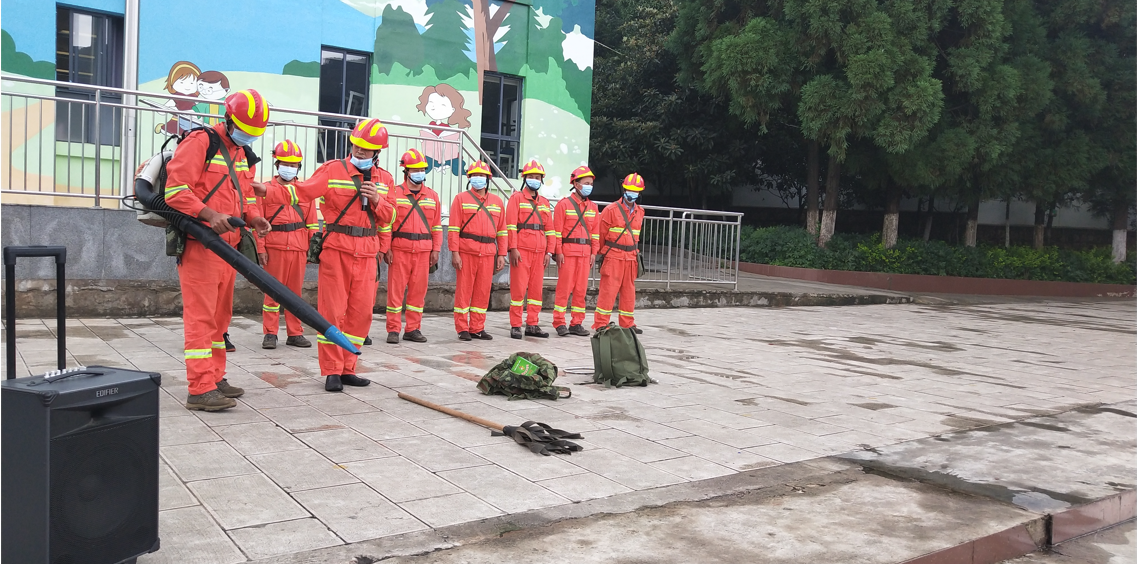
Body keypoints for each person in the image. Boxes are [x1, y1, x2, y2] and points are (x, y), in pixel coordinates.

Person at [254, 118, 395, 392]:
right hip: (337, 249)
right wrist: (268, 190)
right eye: (356, 145)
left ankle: (348, 368)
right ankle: (331, 370)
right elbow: (302, 191)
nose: (360, 150)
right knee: (332, 312)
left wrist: (377, 200)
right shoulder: (332, 169)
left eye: (366, 148)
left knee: (361, 314)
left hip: (367, 252)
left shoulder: (385, 179)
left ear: (377, 152)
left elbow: (390, 217)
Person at [164, 89, 273, 411]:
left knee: (220, 319)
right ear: (228, 119)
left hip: (230, 248)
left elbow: (245, 195)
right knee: (201, 318)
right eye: (244, 130)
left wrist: (254, 218)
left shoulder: (242, 153)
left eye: (254, 133)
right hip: (202, 244)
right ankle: (199, 388)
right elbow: (175, 191)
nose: (248, 137)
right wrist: (210, 215)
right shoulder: (201, 142)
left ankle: (215, 377)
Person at [258, 140, 318, 350]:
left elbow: (312, 224)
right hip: (274, 248)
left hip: (299, 249)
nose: (289, 168)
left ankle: (295, 333)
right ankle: (270, 334)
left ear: (298, 167)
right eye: (285, 164)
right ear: (277, 165)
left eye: (293, 165)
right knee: (272, 293)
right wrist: (260, 248)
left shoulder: (305, 191)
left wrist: (312, 250)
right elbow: (258, 223)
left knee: (295, 294)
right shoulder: (265, 190)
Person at [383, 148, 442, 344]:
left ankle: (413, 329)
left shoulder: (432, 196)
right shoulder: (394, 193)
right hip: (400, 250)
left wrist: (436, 249)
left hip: (424, 252)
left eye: (422, 169)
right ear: (406, 171)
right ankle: (393, 329)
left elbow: (436, 226)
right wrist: (387, 248)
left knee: (418, 293)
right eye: (415, 170)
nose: (419, 173)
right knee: (395, 292)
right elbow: (387, 223)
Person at [448, 161, 507, 341]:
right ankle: (462, 328)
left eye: (481, 176)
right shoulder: (460, 199)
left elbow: (502, 230)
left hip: (488, 253)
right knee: (464, 291)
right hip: (467, 251)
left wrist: (502, 254)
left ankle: (477, 327)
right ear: (469, 178)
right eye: (474, 175)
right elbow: (453, 229)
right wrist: (455, 253)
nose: (478, 178)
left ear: (488, 179)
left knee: (482, 291)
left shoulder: (497, 202)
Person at [505, 160, 556, 339]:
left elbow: (550, 230)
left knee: (536, 291)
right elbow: (510, 226)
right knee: (518, 290)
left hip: (539, 253)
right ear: (525, 178)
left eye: (537, 177)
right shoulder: (516, 198)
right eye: (531, 176)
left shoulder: (544, 202)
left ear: (541, 180)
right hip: (522, 251)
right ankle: (516, 325)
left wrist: (549, 252)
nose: (535, 180)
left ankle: (532, 324)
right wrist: (512, 248)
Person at [592, 172, 646, 334]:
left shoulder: (640, 211)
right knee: (608, 291)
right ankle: (601, 324)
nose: (632, 193)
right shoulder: (610, 210)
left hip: (631, 257)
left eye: (635, 191)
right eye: (630, 190)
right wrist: (602, 253)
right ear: (624, 189)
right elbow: (601, 234)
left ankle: (628, 324)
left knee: (629, 292)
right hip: (613, 256)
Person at [552, 165, 600, 337]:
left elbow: (595, 233)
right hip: (568, 252)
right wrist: (558, 251)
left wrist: (594, 252)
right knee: (564, 289)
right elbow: (557, 232)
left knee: (581, 290)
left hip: (585, 253)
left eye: (591, 184)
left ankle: (576, 323)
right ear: (576, 184)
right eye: (586, 183)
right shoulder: (563, 205)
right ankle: (559, 322)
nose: (589, 186)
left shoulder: (593, 207)